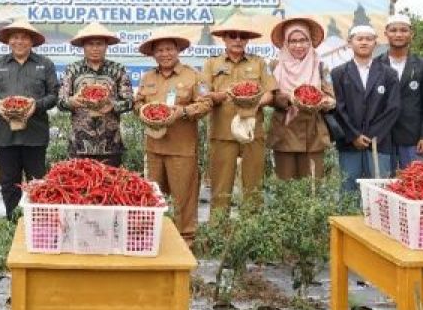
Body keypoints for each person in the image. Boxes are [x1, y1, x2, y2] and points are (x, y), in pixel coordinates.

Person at [134, 27, 211, 246]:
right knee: (152, 194)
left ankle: (186, 239)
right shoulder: (148, 77)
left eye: (169, 49)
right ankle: (153, 236)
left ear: (177, 50)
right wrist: (141, 109)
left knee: (184, 196)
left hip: (182, 148)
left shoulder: (194, 75)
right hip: (154, 146)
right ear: (153, 54)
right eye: (159, 50)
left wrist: (183, 112)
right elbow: (138, 102)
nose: (165, 54)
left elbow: (206, 104)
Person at [0, 19, 60, 219]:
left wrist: (37, 105)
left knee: (37, 183)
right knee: (9, 184)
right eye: (15, 37)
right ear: (9, 41)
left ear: (32, 41)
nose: (19, 41)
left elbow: (54, 95)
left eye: (24, 37)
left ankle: (37, 222)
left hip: (35, 135)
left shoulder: (45, 64)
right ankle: (12, 222)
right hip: (5, 136)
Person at [199, 13, 276, 212]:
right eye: (232, 35)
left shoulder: (259, 63)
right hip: (222, 133)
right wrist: (220, 96)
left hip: (252, 133)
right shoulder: (211, 64)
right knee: (220, 189)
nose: (237, 40)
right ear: (224, 38)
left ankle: (251, 238)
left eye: (242, 36)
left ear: (248, 39)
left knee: (253, 188)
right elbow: (202, 92)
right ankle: (218, 236)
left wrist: (255, 104)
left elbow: (270, 94)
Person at [331, 25, 400, 194]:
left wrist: (371, 135)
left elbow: (393, 108)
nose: (364, 43)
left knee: (379, 192)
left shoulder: (389, 73)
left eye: (368, 39)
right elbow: (337, 108)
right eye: (359, 39)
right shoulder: (338, 73)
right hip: (349, 143)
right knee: (349, 190)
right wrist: (354, 135)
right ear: (349, 43)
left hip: (379, 142)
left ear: (375, 43)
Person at [267, 17, 335, 181]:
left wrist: (324, 102)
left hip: (312, 133)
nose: (298, 45)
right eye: (293, 41)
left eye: (303, 40)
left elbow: (331, 98)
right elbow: (270, 97)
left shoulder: (320, 65)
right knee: (286, 187)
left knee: (312, 186)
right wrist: (289, 99)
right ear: (286, 43)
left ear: (310, 41)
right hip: (285, 131)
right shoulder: (275, 66)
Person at [57, 22, 134, 166]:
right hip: (80, 144)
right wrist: (72, 101)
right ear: (83, 46)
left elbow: (129, 101)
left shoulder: (118, 70)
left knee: (110, 186)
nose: (95, 48)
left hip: (111, 144)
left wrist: (113, 105)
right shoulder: (72, 70)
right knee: (79, 186)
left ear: (106, 46)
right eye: (90, 44)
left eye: (99, 44)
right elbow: (61, 102)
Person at [377, 14, 423, 171]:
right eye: (393, 30)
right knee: (382, 185)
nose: (398, 34)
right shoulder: (375, 64)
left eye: (403, 30)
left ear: (412, 34)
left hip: (414, 138)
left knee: (416, 186)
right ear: (386, 34)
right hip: (383, 137)